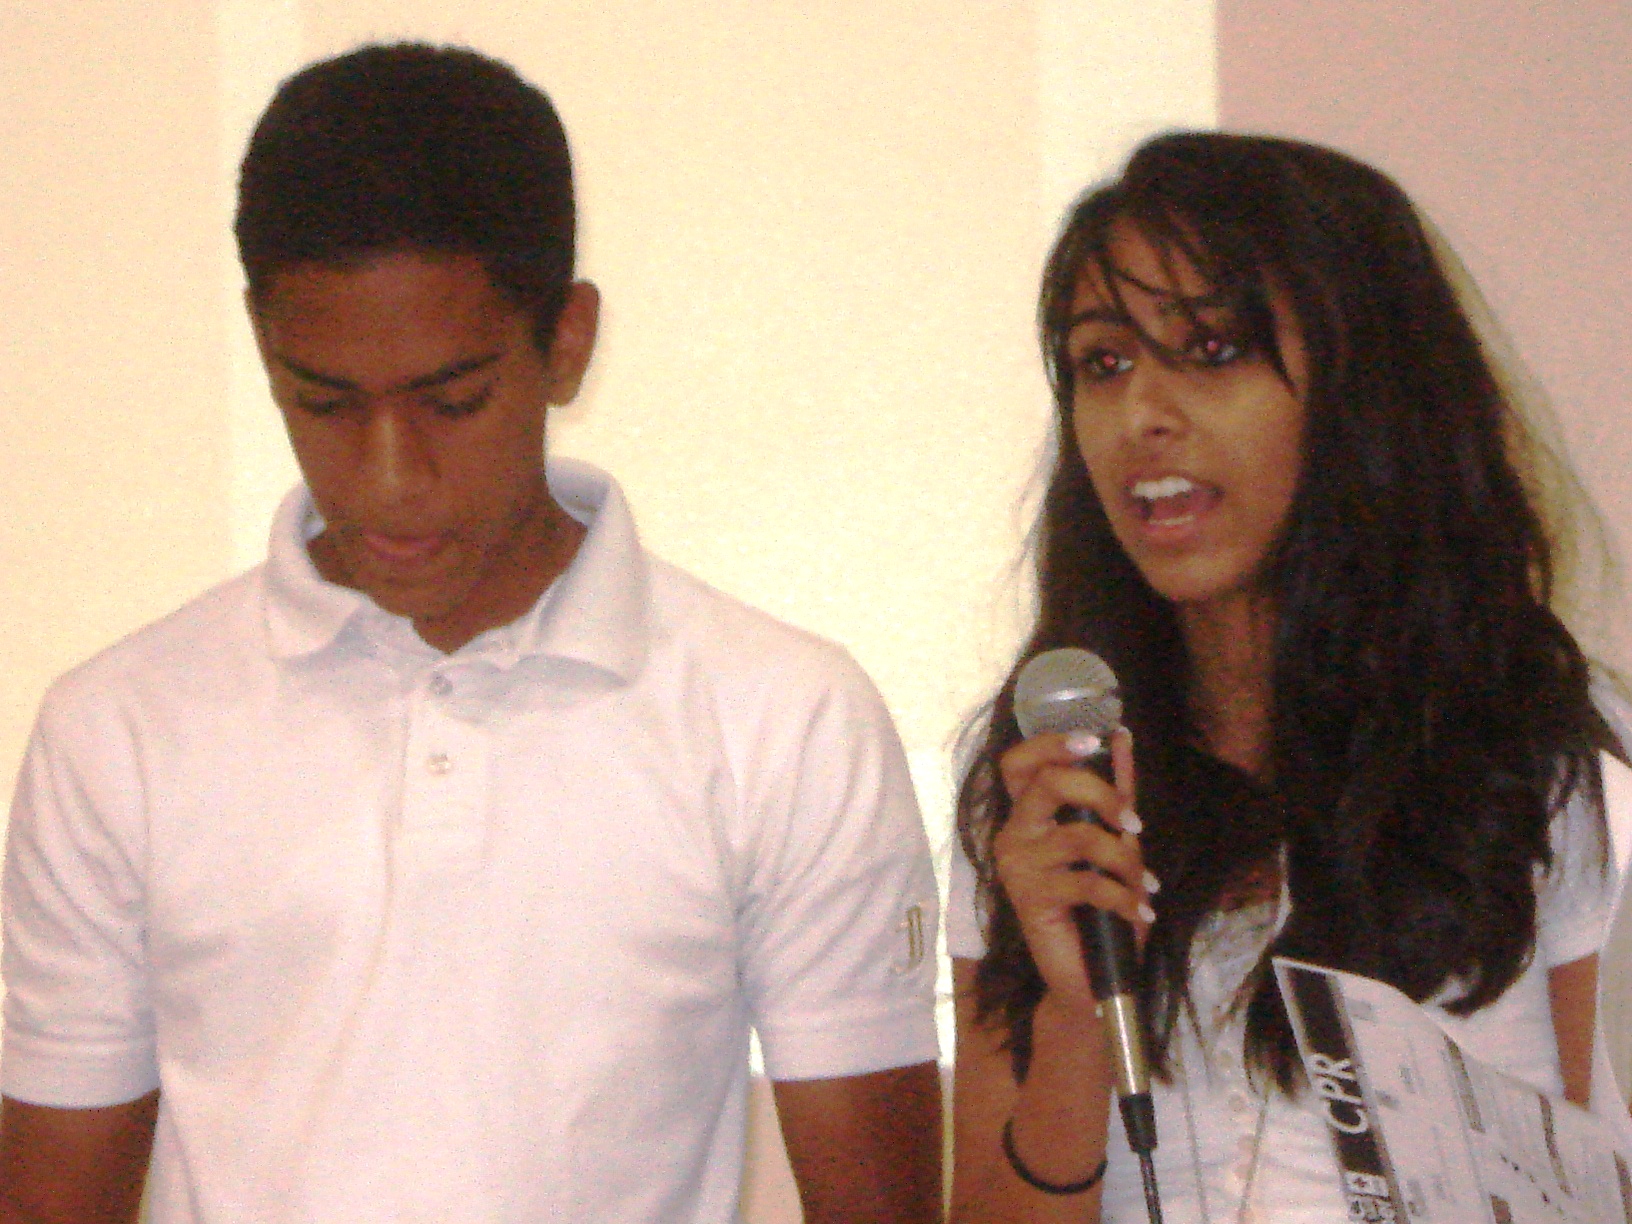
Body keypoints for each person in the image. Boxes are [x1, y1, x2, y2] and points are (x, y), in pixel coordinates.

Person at [0, 43, 942, 1224]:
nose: (390, 477)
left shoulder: (783, 719)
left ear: (568, 343)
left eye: (452, 402)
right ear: (263, 344)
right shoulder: (118, 732)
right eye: (324, 402)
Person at [946, 130, 1627, 1222]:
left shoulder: (1550, 754)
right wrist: (1076, 1017)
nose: (1142, 415)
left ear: (1363, 391)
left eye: (1211, 349)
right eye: (1103, 363)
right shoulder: (1045, 777)